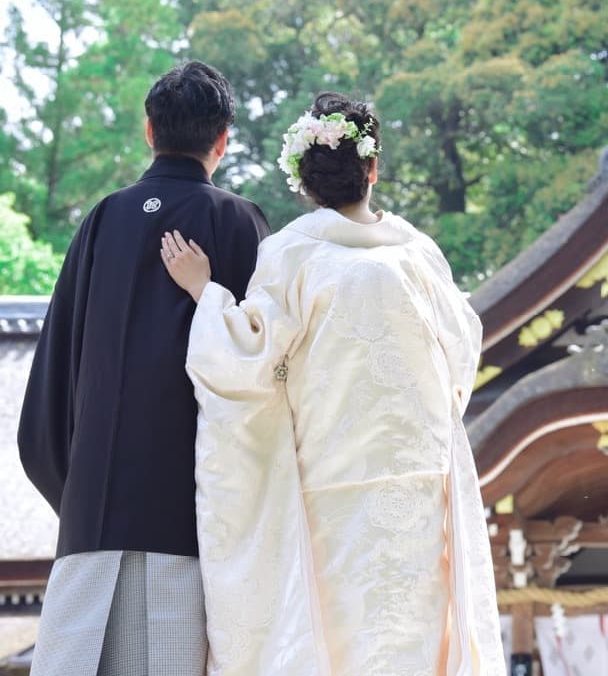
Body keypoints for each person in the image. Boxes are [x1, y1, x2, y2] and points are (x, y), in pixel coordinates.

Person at [160, 92, 505, 676]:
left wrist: (205, 294)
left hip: (332, 488)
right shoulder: (418, 255)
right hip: (417, 490)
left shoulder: (292, 255)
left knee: (339, 641)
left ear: (304, 181)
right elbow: (461, 351)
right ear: (373, 169)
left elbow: (250, 358)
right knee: (413, 636)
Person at [17, 61, 271, 676]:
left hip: (90, 524)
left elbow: (49, 396)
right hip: (190, 527)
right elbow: (264, 376)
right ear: (223, 140)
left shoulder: (103, 219)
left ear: (149, 132)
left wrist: (82, 497)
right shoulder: (241, 223)